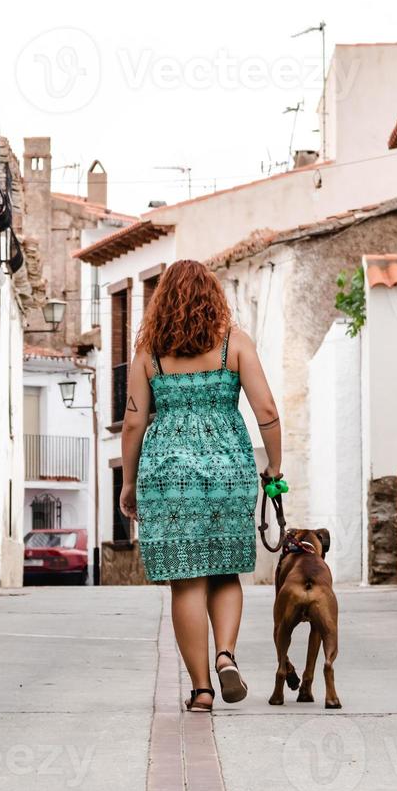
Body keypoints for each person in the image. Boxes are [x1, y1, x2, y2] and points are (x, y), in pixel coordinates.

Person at [118, 260, 283, 713]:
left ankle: (202, 689)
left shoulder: (149, 353)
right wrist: (274, 469)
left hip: (168, 477)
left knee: (186, 581)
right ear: (215, 298)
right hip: (229, 471)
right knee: (226, 571)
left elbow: (133, 422)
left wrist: (129, 482)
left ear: (162, 302)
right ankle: (226, 654)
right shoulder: (235, 344)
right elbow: (266, 409)